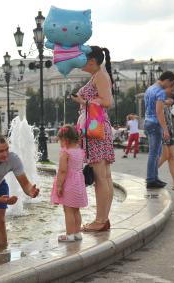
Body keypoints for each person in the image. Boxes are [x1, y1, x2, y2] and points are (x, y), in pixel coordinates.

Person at [71, 46, 115, 232]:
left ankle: (100, 220)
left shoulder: (101, 76)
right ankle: (103, 219)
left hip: (95, 129)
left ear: (91, 61)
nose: (80, 63)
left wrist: (82, 102)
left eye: (82, 59)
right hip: (96, 127)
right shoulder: (98, 75)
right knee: (105, 176)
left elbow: (107, 102)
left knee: (100, 177)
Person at [51, 125, 87, 242]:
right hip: (79, 183)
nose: (60, 143)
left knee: (68, 210)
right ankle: (77, 233)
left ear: (65, 140)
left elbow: (62, 171)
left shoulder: (65, 153)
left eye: (60, 141)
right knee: (76, 210)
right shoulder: (80, 151)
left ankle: (70, 235)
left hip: (69, 184)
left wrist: (59, 186)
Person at [143, 71, 174, 189]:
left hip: (147, 122)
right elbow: (159, 112)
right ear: (167, 80)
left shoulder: (150, 89)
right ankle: (151, 180)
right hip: (155, 124)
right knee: (154, 153)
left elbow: (151, 106)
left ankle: (154, 178)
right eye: (170, 83)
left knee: (156, 153)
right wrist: (165, 130)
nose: (170, 86)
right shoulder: (160, 92)